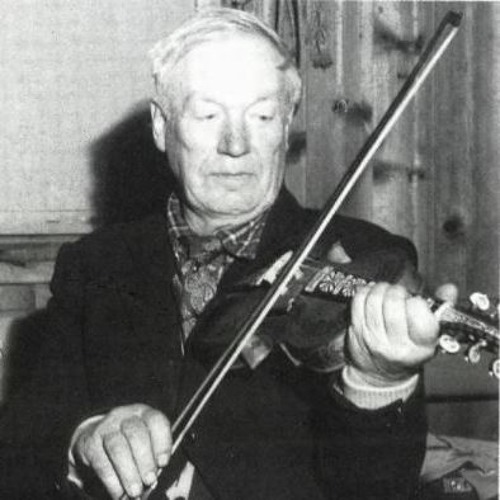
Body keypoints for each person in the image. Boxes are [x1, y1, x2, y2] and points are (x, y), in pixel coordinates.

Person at [0, 8, 451, 500]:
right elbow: (22, 449)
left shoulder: (365, 257)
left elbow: (377, 490)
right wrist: (83, 441)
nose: (236, 144)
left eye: (262, 116)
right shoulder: (95, 265)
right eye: (208, 114)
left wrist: (378, 383)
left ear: (285, 128)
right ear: (161, 126)